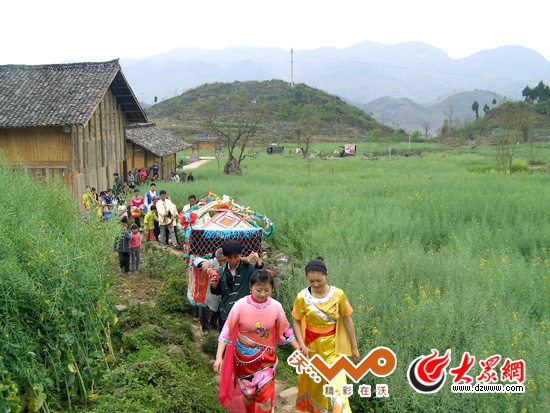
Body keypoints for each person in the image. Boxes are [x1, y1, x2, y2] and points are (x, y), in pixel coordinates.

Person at [214, 269, 299, 413]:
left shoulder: (276, 307)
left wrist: (298, 347)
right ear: (250, 287)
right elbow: (226, 332)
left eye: (267, 290)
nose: (262, 294)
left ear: (272, 288)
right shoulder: (240, 305)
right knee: (248, 396)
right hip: (243, 360)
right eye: (258, 290)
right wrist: (218, 358)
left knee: (265, 399)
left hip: (267, 359)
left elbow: (286, 330)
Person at [292, 257, 360, 413]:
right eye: (311, 281)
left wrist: (354, 347)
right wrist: (301, 344)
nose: (315, 285)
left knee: (339, 388)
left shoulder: (338, 295)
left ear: (326, 275)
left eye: (319, 281)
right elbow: (297, 321)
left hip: (334, 346)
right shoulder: (302, 297)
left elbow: (347, 320)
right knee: (315, 389)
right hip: (312, 348)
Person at [209, 240, 264, 331]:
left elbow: (262, 279)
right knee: (226, 338)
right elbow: (219, 292)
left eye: (236, 257)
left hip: (246, 314)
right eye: (230, 258)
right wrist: (214, 286)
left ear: (241, 254)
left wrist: (258, 263)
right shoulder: (220, 272)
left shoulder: (249, 268)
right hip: (226, 313)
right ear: (225, 257)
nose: (233, 260)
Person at [194, 248, 227, 334]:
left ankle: (215, 328)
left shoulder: (231, 264)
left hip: (224, 294)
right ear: (216, 258)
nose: (222, 263)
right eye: (220, 261)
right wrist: (203, 263)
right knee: (206, 309)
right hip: (211, 293)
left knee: (219, 313)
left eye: (224, 260)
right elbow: (197, 260)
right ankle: (205, 330)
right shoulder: (213, 262)